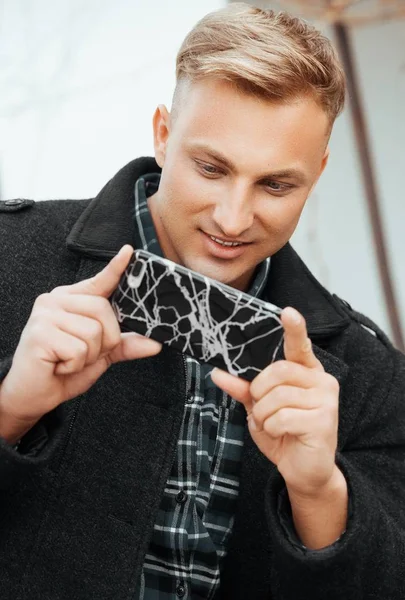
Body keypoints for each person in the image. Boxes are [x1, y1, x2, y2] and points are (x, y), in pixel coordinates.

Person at [0, 3, 404, 599]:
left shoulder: (372, 374)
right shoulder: (9, 258)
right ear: (163, 135)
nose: (233, 219)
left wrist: (321, 493)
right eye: (211, 168)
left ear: (316, 175)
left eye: (275, 184)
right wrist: (12, 408)